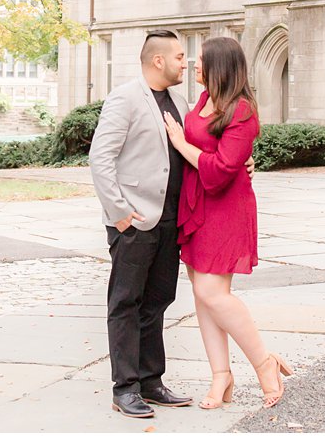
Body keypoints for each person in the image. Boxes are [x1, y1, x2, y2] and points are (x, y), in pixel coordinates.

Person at [162, 35, 292, 410]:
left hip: (225, 207)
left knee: (212, 294)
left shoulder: (241, 111)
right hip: (196, 204)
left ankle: (264, 363)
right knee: (203, 296)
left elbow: (219, 171)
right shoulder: (204, 100)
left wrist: (180, 142)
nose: (194, 65)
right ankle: (221, 376)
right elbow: (215, 152)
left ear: (219, 66)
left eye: (201, 60)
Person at [88, 29, 196, 419]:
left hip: (170, 221)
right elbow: (101, 158)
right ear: (158, 60)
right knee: (126, 303)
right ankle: (125, 387)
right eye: (181, 57)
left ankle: (152, 382)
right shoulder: (125, 98)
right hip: (133, 222)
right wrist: (119, 213)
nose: (187, 63)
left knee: (158, 302)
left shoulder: (181, 102)